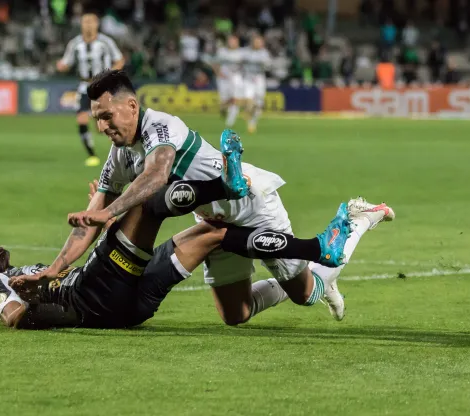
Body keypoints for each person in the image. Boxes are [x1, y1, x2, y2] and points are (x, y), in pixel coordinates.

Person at [55, 69, 396, 324]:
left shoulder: (161, 125)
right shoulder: (119, 157)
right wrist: (54, 270)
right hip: (214, 221)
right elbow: (89, 220)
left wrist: (111, 210)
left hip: (250, 204)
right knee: (237, 314)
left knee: (304, 295)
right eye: (97, 119)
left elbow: (156, 174)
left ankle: (358, 219)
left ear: (131, 106)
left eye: (106, 116)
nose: (101, 126)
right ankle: (316, 271)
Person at [0, 175, 354, 329]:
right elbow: (14, 314)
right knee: (144, 203)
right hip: (92, 296)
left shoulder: (14, 272)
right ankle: (225, 186)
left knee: (214, 234)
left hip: (125, 305)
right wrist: (52, 309)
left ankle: (320, 265)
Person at [57, 13, 124, 167]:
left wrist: (110, 74)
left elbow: (119, 59)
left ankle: (120, 154)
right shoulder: (74, 44)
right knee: (81, 118)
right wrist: (61, 66)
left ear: (97, 24)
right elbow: (66, 62)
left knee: (104, 125)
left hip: (104, 86)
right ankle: (92, 155)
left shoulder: (106, 42)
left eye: (91, 22)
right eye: (85, 22)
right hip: (84, 86)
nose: (88, 25)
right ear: (81, 24)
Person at [213, 35, 245, 127]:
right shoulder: (222, 52)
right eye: (230, 41)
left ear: (237, 42)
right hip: (223, 78)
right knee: (224, 100)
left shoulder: (241, 53)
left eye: (234, 41)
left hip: (236, 77)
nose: (232, 43)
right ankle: (223, 109)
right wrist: (218, 73)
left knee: (235, 98)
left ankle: (230, 121)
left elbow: (245, 65)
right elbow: (215, 63)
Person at [242, 35, 271, 134]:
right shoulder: (246, 52)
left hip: (259, 78)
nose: (259, 44)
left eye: (260, 42)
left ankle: (253, 121)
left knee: (259, 102)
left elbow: (267, 65)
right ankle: (249, 115)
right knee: (249, 99)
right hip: (248, 78)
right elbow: (240, 61)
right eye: (257, 42)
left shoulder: (264, 53)